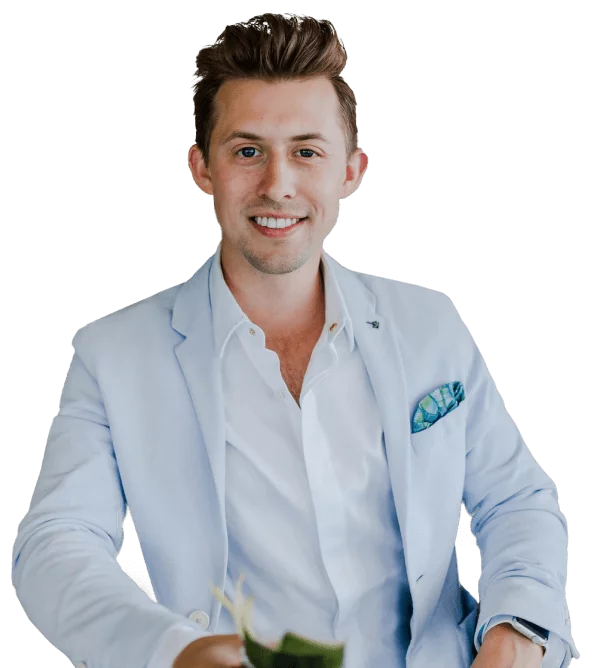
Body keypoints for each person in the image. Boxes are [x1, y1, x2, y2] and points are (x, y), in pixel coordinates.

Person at [11, 12, 577, 668]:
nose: (278, 184)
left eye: (306, 151)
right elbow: (54, 547)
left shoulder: (430, 323)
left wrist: (516, 635)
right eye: (247, 151)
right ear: (202, 168)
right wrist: (176, 650)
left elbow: (516, 498)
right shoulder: (113, 356)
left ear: (352, 171)